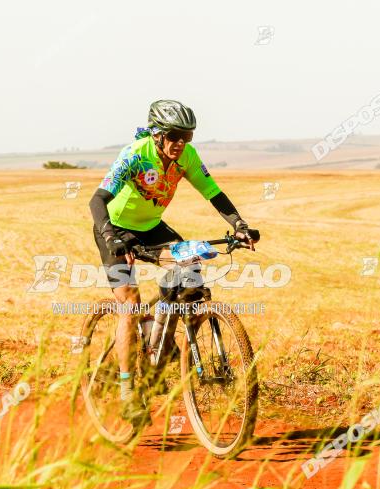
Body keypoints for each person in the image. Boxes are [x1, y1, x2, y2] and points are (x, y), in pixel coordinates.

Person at [89, 99, 260, 427]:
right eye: (174, 136)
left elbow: (213, 193)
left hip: (152, 228)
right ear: (156, 134)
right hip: (114, 229)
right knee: (130, 303)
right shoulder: (135, 154)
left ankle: (162, 347)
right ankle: (127, 392)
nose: (180, 144)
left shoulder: (187, 157)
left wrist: (238, 225)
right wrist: (111, 237)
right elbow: (97, 200)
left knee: (190, 270)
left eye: (187, 137)